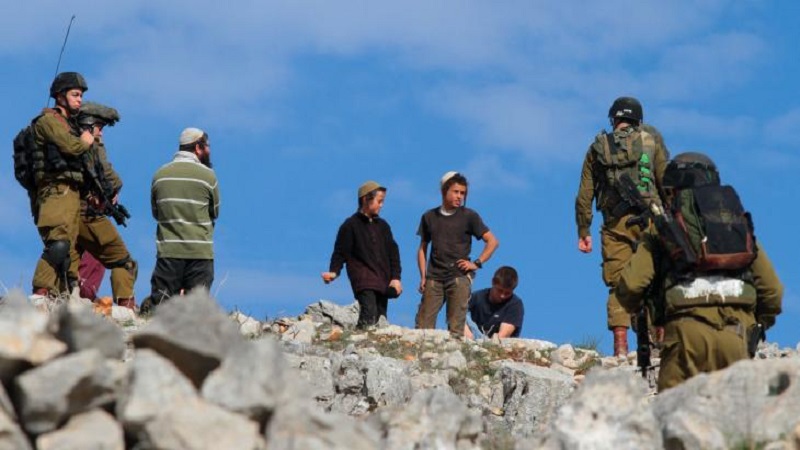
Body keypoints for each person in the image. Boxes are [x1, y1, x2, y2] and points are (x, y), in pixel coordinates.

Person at [616, 152, 783, 391]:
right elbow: (772, 292)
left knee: (674, 412)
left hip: (684, 338)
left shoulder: (661, 231)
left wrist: (649, 313)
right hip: (737, 338)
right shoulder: (739, 229)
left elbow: (631, 286)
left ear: (674, 190)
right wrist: (756, 325)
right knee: (732, 412)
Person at [574, 96, 670, 356]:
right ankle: (659, 342)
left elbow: (585, 194)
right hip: (651, 221)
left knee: (618, 283)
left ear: (613, 119)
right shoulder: (651, 140)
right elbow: (666, 182)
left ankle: (620, 348)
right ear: (638, 119)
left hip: (615, 224)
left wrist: (583, 230)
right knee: (655, 278)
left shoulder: (597, 147)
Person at [29, 72, 95, 298]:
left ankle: (61, 297)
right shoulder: (48, 121)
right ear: (60, 96)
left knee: (70, 252)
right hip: (55, 191)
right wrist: (85, 142)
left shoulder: (70, 124)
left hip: (71, 192)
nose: (80, 100)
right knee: (58, 244)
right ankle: (39, 295)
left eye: (81, 96)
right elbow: (70, 146)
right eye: (75, 95)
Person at [142, 127, 220, 311]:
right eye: (207, 146)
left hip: (169, 251)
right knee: (197, 311)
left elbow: (156, 213)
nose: (209, 150)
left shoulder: (160, 175)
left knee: (162, 308)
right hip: (200, 252)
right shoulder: (208, 176)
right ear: (198, 147)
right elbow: (214, 212)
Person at [415, 171, 499, 336]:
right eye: (456, 192)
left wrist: (476, 263)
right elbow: (422, 248)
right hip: (434, 278)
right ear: (444, 191)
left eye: (463, 193)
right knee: (423, 327)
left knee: (456, 329)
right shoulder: (429, 217)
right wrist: (423, 276)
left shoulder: (469, 216)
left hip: (459, 277)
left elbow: (492, 241)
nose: (459, 196)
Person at [73, 101, 137, 309]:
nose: (101, 133)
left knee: (68, 260)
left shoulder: (65, 144)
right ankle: (126, 308)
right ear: (88, 125)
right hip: (88, 213)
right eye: (99, 127)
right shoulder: (90, 145)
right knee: (123, 261)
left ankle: (55, 297)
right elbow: (108, 175)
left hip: (67, 213)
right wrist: (115, 187)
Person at [321, 181, 402, 329]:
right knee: (368, 315)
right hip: (363, 279)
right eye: (379, 201)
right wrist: (334, 272)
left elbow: (393, 252)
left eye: (383, 201)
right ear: (365, 199)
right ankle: (359, 337)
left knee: (380, 318)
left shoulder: (383, 226)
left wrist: (396, 278)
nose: (382, 205)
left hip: (383, 280)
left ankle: (366, 340)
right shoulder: (350, 225)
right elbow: (340, 251)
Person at [464, 266, 524, 339]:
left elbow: (501, 337)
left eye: (507, 293)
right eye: (500, 290)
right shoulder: (477, 297)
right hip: (472, 337)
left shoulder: (515, 305)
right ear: (493, 282)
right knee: (459, 313)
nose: (502, 296)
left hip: (492, 342)